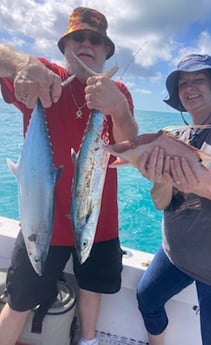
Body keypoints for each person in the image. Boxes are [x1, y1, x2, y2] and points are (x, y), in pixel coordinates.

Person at [0, 7, 138, 345]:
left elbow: (130, 149)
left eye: (96, 40)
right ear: (65, 47)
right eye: (79, 37)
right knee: (19, 299)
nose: (87, 44)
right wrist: (23, 65)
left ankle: (88, 341)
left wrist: (116, 108)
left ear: (107, 51)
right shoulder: (44, 77)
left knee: (92, 288)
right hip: (42, 221)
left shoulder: (117, 91)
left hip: (99, 219)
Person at [136, 54, 211, 345]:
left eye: (197, 80)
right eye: (182, 83)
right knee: (146, 298)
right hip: (176, 255)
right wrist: (162, 179)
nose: (189, 88)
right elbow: (161, 202)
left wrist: (200, 183)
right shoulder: (173, 137)